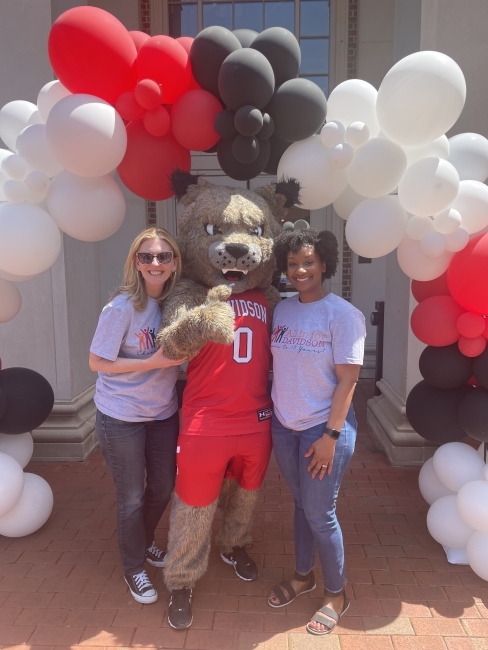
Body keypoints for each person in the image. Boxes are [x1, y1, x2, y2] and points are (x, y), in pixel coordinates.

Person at [267, 228, 366, 636]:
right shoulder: (283, 311)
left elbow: (349, 381)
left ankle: (337, 593)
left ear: (324, 263)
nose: (300, 270)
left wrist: (330, 436)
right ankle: (303, 575)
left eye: (308, 262)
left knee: (321, 515)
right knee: (300, 504)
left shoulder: (342, 314)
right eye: (293, 264)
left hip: (322, 431)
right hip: (284, 426)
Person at [89, 227, 184, 605]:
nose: (155, 263)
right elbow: (96, 361)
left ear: (174, 262)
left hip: (162, 412)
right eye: (147, 257)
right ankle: (134, 568)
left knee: (162, 486)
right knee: (130, 497)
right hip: (121, 415)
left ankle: (144, 543)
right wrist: (154, 361)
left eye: (163, 256)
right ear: (136, 263)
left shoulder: (177, 305)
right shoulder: (122, 307)